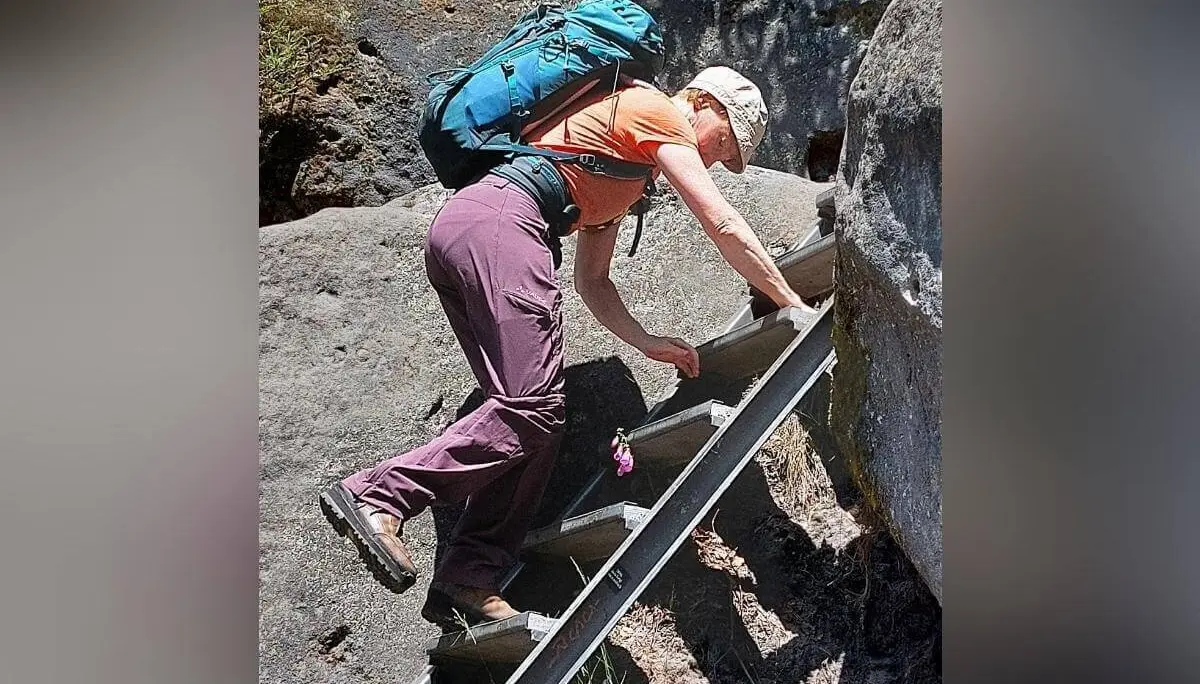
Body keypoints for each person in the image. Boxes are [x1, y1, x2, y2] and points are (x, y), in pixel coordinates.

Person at [319, 65, 815, 629]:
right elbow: (721, 221)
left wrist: (647, 341)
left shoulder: (628, 169)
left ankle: (469, 575)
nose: (717, 161)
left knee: (536, 418)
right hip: (504, 223)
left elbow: (594, 282)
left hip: (475, 229)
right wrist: (788, 299)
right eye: (723, 143)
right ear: (701, 102)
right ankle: (381, 495)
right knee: (531, 406)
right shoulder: (653, 111)